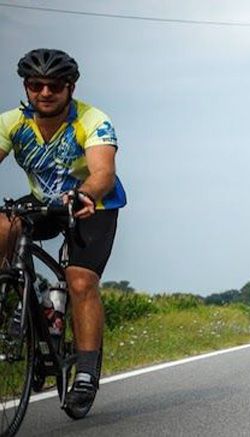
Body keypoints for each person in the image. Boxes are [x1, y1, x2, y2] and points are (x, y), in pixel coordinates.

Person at [0, 48, 127, 409]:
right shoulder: (12, 122)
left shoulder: (92, 119)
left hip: (92, 204)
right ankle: (20, 291)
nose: (44, 93)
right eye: (35, 85)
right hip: (42, 202)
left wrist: (84, 192)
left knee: (81, 281)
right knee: (3, 224)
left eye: (54, 85)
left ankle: (86, 373)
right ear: (26, 87)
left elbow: (103, 172)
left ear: (69, 87)